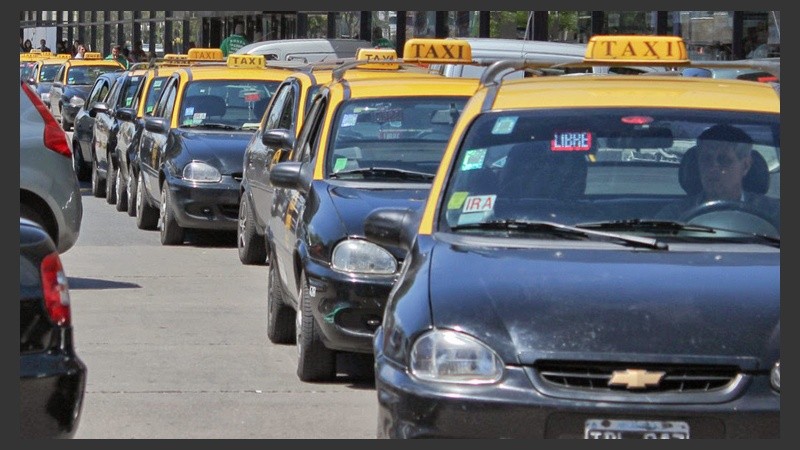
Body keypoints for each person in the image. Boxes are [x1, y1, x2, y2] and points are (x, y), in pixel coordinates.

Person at [656, 124, 779, 229]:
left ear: (746, 166)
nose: (713, 168)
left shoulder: (774, 214)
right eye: (706, 159)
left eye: (724, 160)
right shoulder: (674, 215)